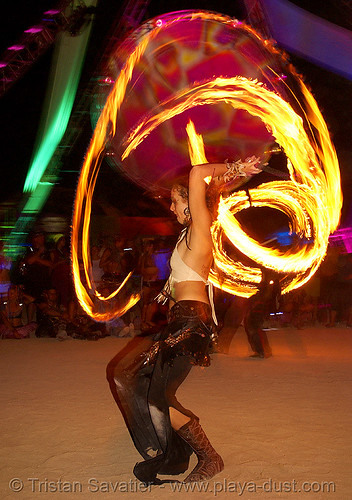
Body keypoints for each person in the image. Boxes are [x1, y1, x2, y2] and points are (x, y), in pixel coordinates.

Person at [110, 157, 261, 484]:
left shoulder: (199, 230)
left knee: (148, 391)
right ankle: (179, 445)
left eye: (177, 201)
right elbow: (210, 191)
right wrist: (229, 178)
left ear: (193, 206)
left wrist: (231, 168)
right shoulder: (186, 237)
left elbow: (197, 174)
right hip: (182, 320)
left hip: (191, 323)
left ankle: (210, 457)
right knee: (137, 381)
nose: (173, 208)